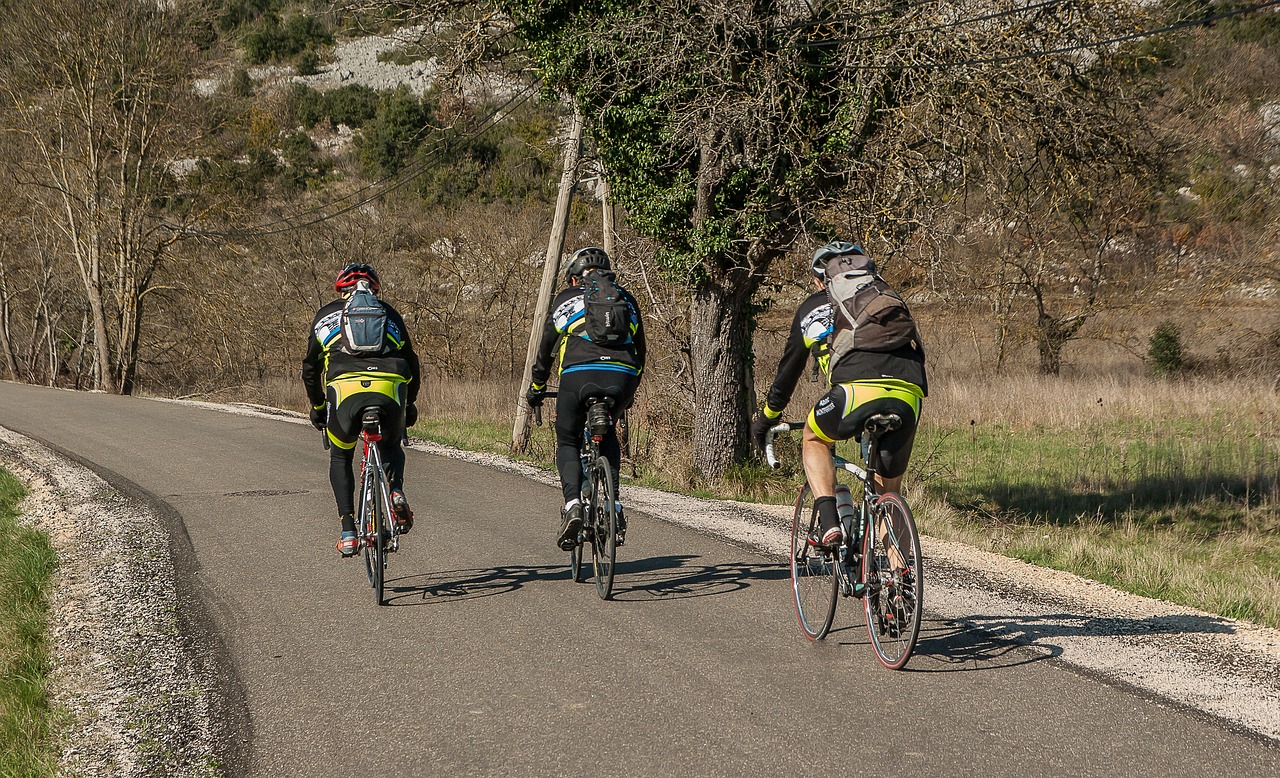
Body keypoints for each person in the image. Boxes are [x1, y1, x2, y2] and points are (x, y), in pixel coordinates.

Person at [751, 241, 927, 548]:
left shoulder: (812, 307)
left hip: (853, 392)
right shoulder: (884, 296)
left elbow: (787, 375)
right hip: (908, 393)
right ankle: (901, 583)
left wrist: (767, 418)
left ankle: (830, 523)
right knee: (887, 493)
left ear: (821, 280)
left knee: (814, 437)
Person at [525, 247, 646, 551]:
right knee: (609, 439)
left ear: (574, 278)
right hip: (622, 375)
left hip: (579, 376)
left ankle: (573, 505)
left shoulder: (567, 299)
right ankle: (615, 507)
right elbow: (641, 352)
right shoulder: (625, 299)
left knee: (566, 439)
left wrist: (537, 385)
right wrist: (628, 394)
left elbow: (546, 350)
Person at [302, 262, 421, 557]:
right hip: (389, 386)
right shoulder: (389, 314)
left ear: (340, 290)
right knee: (392, 445)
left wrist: (318, 407)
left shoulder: (325, 316)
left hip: (344, 390)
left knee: (341, 456)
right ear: (375, 289)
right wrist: (409, 403)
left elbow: (310, 369)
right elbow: (412, 361)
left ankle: (348, 532)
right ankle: (394, 490)